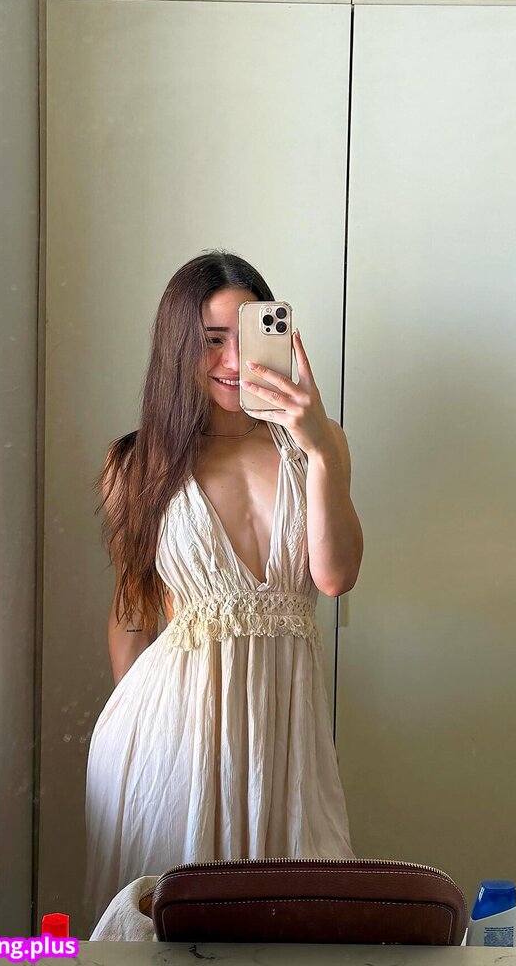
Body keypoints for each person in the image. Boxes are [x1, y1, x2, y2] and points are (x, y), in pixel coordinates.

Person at [84, 251, 364, 929]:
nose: (235, 361)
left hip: (287, 743)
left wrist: (318, 447)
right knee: (169, 930)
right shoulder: (138, 464)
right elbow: (131, 612)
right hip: (169, 744)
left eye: (247, 335)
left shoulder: (319, 447)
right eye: (212, 340)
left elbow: (335, 577)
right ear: (179, 347)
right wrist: (141, 734)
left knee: (299, 923)